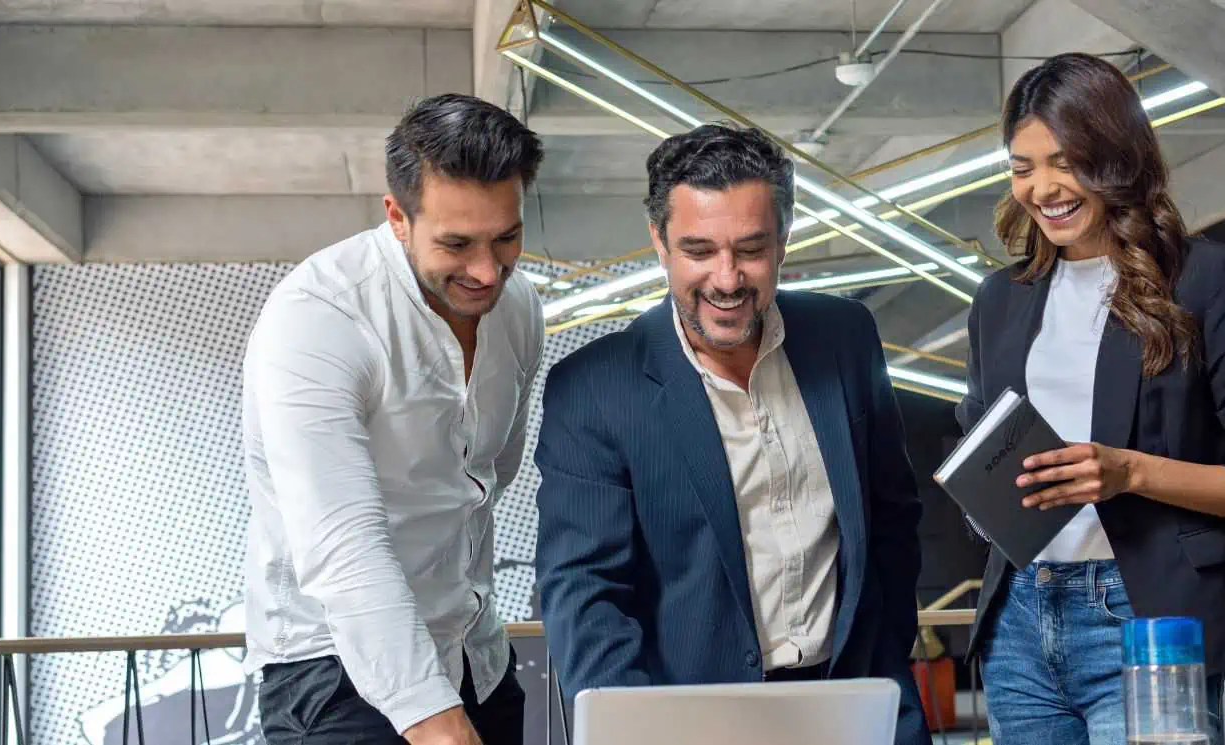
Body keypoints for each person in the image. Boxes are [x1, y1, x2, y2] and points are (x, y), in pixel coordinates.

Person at [533, 123, 931, 745]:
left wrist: (882, 660)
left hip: (854, 706)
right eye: (698, 250)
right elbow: (585, 591)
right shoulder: (595, 387)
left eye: (750, 249)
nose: (726, 279)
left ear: (784, 240)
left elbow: (892, 520)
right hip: (689, 723)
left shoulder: (845, 338)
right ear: (659, 243)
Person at [958, 53, 1225, 745]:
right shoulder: (1000, 299)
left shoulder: (1206, 279)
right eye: (1022, 165)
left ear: (1115, 157)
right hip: (1021, 619)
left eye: (1065, 161)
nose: (1042, 187)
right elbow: (979, 442)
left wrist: (1128, 472)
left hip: (1142, 615)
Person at [241, 93, 544, 745]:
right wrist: (432, 717)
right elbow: (342, 540)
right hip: (331, 668)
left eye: (507, 237)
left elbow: (492, 474)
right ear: (397, 217)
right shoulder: (318, 317)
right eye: (457, 243)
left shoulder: (519, 308)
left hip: (476, 657)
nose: (487, 271)